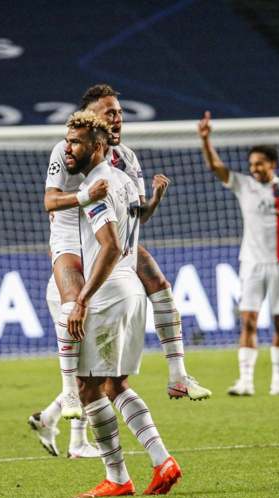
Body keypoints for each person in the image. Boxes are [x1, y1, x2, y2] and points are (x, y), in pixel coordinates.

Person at [29, 84, 211, 453]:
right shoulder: (66, 150)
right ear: (91, 119)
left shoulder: (126, 157)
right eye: (108, 112)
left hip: (113, 237)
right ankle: (72, 419)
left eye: (119, 112)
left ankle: (177, 375)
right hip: (70, 238)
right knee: (77, 312)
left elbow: (138, 212)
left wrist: (155, 199)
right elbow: (50, 201)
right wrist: (84, 196)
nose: (117, 118)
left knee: (158, 282)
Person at [62, 110, 181, 498]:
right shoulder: (125, 181)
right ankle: (162, 461)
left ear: (97, 147)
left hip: (109, 293)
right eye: (67, 141)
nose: (68, 148)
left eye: (76, 142)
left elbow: (110, 245)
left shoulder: (98, 183)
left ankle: (117, 478)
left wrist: (82, 299)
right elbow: (136, 223)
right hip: (132, 291)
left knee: (87, 388)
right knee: (115, 385)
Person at [198, 108, 279, 396]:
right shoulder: (244, 185)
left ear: (272, 164)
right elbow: (216, 168)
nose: (254, 169)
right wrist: (206, 140)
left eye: (259, 164)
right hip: (251, 263)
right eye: (252, 164)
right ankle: (245, 381)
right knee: (249, 320)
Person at [27, 272, 101, 459]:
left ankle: (50, 418)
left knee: (94, 369)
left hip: (68, 287)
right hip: (73, 291)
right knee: (94, 369)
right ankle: (77, 443)